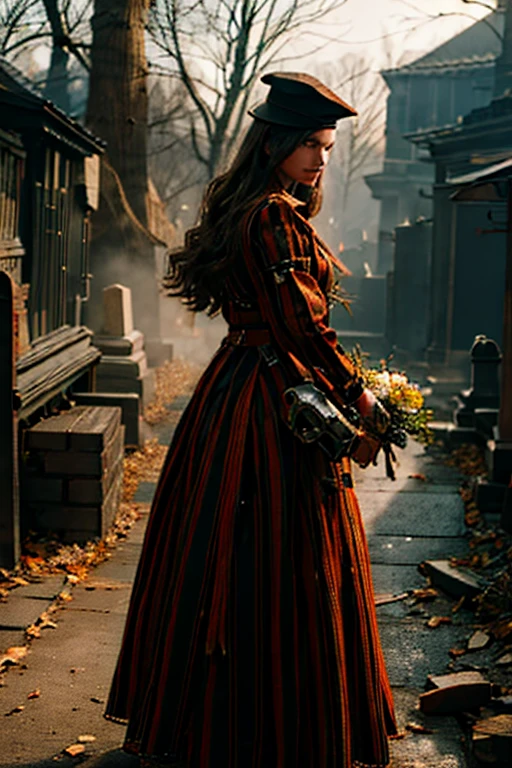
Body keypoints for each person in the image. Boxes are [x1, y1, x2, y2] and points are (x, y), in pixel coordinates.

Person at [105, 72, 397, 768]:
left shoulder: (258, 210)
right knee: (276, 553)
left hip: (238, 387)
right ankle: (270, 733)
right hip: (269, 401)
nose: (321, 159)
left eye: (326, 147)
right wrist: (360, 397)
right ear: (276, 144)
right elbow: (301, 327)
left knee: (221, 550)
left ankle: (218, 723)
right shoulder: (271, 216)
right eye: (310, 146)